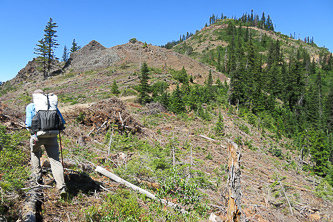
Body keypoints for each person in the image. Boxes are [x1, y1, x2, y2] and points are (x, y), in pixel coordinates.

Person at [25, 89, 67, 197]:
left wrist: (31, 131)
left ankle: (37, 176)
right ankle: (61, 186)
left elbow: (29, 123)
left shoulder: (31, 106)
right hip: (52, 136)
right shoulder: (52, 106)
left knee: (34, 153)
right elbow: (62, 121)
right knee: (55, 160)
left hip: (37, 136)